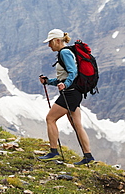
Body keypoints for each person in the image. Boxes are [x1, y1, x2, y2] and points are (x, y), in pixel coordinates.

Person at [38, 28, 95, 165]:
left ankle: (53, 152)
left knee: (50, 118)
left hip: (70, 93)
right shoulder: (66, 52)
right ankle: (88, 157)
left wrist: (66, 84)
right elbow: (63, 78)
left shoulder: (64, 52)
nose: (49, 45)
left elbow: (72, 72)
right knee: (77, 125)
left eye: (50, 42)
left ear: (57, 40)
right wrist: (48, 81)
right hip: (75, 92)